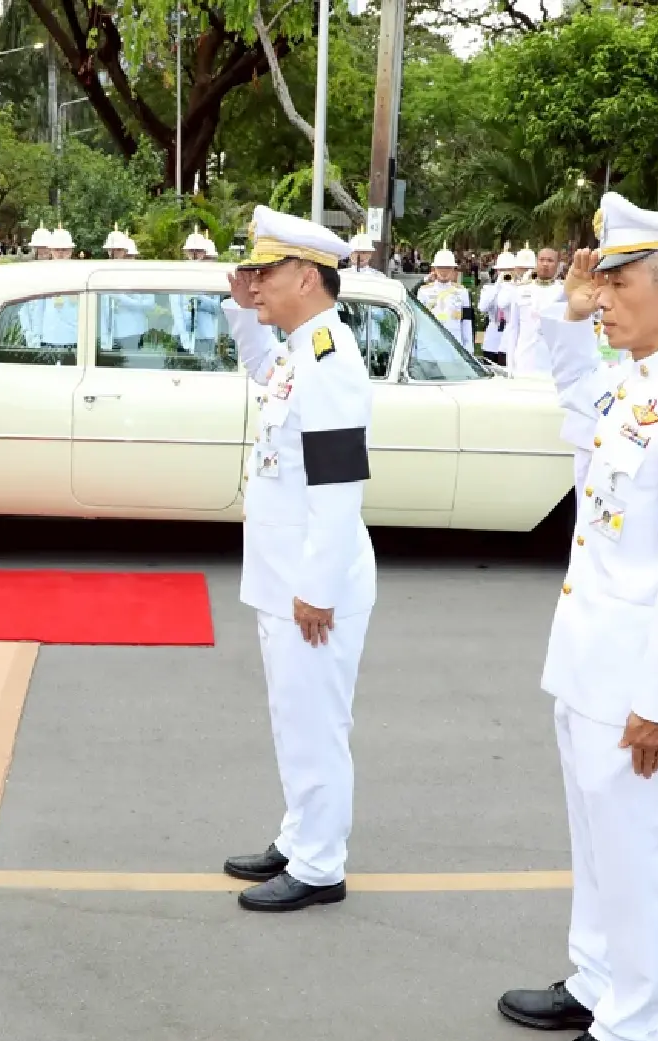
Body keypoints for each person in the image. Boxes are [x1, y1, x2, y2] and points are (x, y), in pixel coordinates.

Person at [499, 193, 658, 1041]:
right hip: (591, 655)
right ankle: (595, 978)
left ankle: (631, 1028)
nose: (602, 295)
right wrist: (568, 319)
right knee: (595, 836)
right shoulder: (642, 381)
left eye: (618, 282)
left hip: (638, 674)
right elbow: (576, 402)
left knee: (635, 848)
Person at [216, 205, 375, 913]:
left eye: (266, 272)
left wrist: (317, 587)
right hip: (283, 576)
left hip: (314, 584)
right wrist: (241, 305)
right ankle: (298, 836)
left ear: (307, 277)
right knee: (294, 719)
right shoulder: (298, 351)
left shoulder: (330, 360)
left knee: (316, 726)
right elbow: (262, 371)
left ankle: (319, 864)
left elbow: (339, 487)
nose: (256, 283)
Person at [508, 247, 566, 379]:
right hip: (524, 362)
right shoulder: (521, 290)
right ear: (536, 262)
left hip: (552, 363)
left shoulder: (563, 292)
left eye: (550, 261)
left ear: (557, 265)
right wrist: (510, 365)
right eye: (542, 260)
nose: (545, 264)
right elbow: (513, 329)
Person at [417, 247, 473, 350]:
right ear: (434, 269)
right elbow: (419, 323)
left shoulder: (462, 292)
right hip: (430, 347)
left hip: (454, 346)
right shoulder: (424, 292)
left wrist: (469, 348)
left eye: (448, 268)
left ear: (453, 270)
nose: (444, 271)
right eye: (440, 268)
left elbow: (467, 323)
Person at [477, 245, 518, 365]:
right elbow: (482, 307)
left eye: (508, 269)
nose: (505, 272)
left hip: (510, 339)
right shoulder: (489, 289)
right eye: (501, 270)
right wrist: (498, 285)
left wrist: (510, 286)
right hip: (493, 338)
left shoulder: (518, 289)